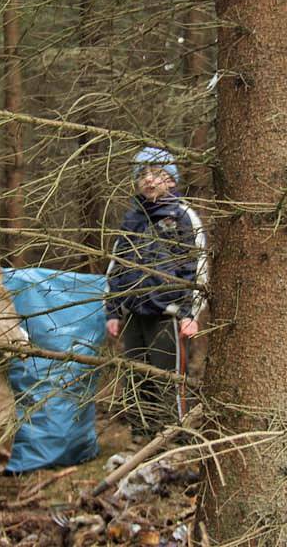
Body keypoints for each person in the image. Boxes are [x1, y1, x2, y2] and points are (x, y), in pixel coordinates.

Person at [106, 146, 207, 438]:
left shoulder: (184, 217)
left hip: (169, 315)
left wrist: (191, 313)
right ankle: (141, 438)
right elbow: (117, 266)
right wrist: (113, 311)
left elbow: (197, 267)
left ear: (172, 180)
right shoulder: (132, 220)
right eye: (143, 174)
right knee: (137, 380)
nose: (149, 180)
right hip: (134, 315)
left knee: (169, 381)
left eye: (158, 174)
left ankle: (173, 441)